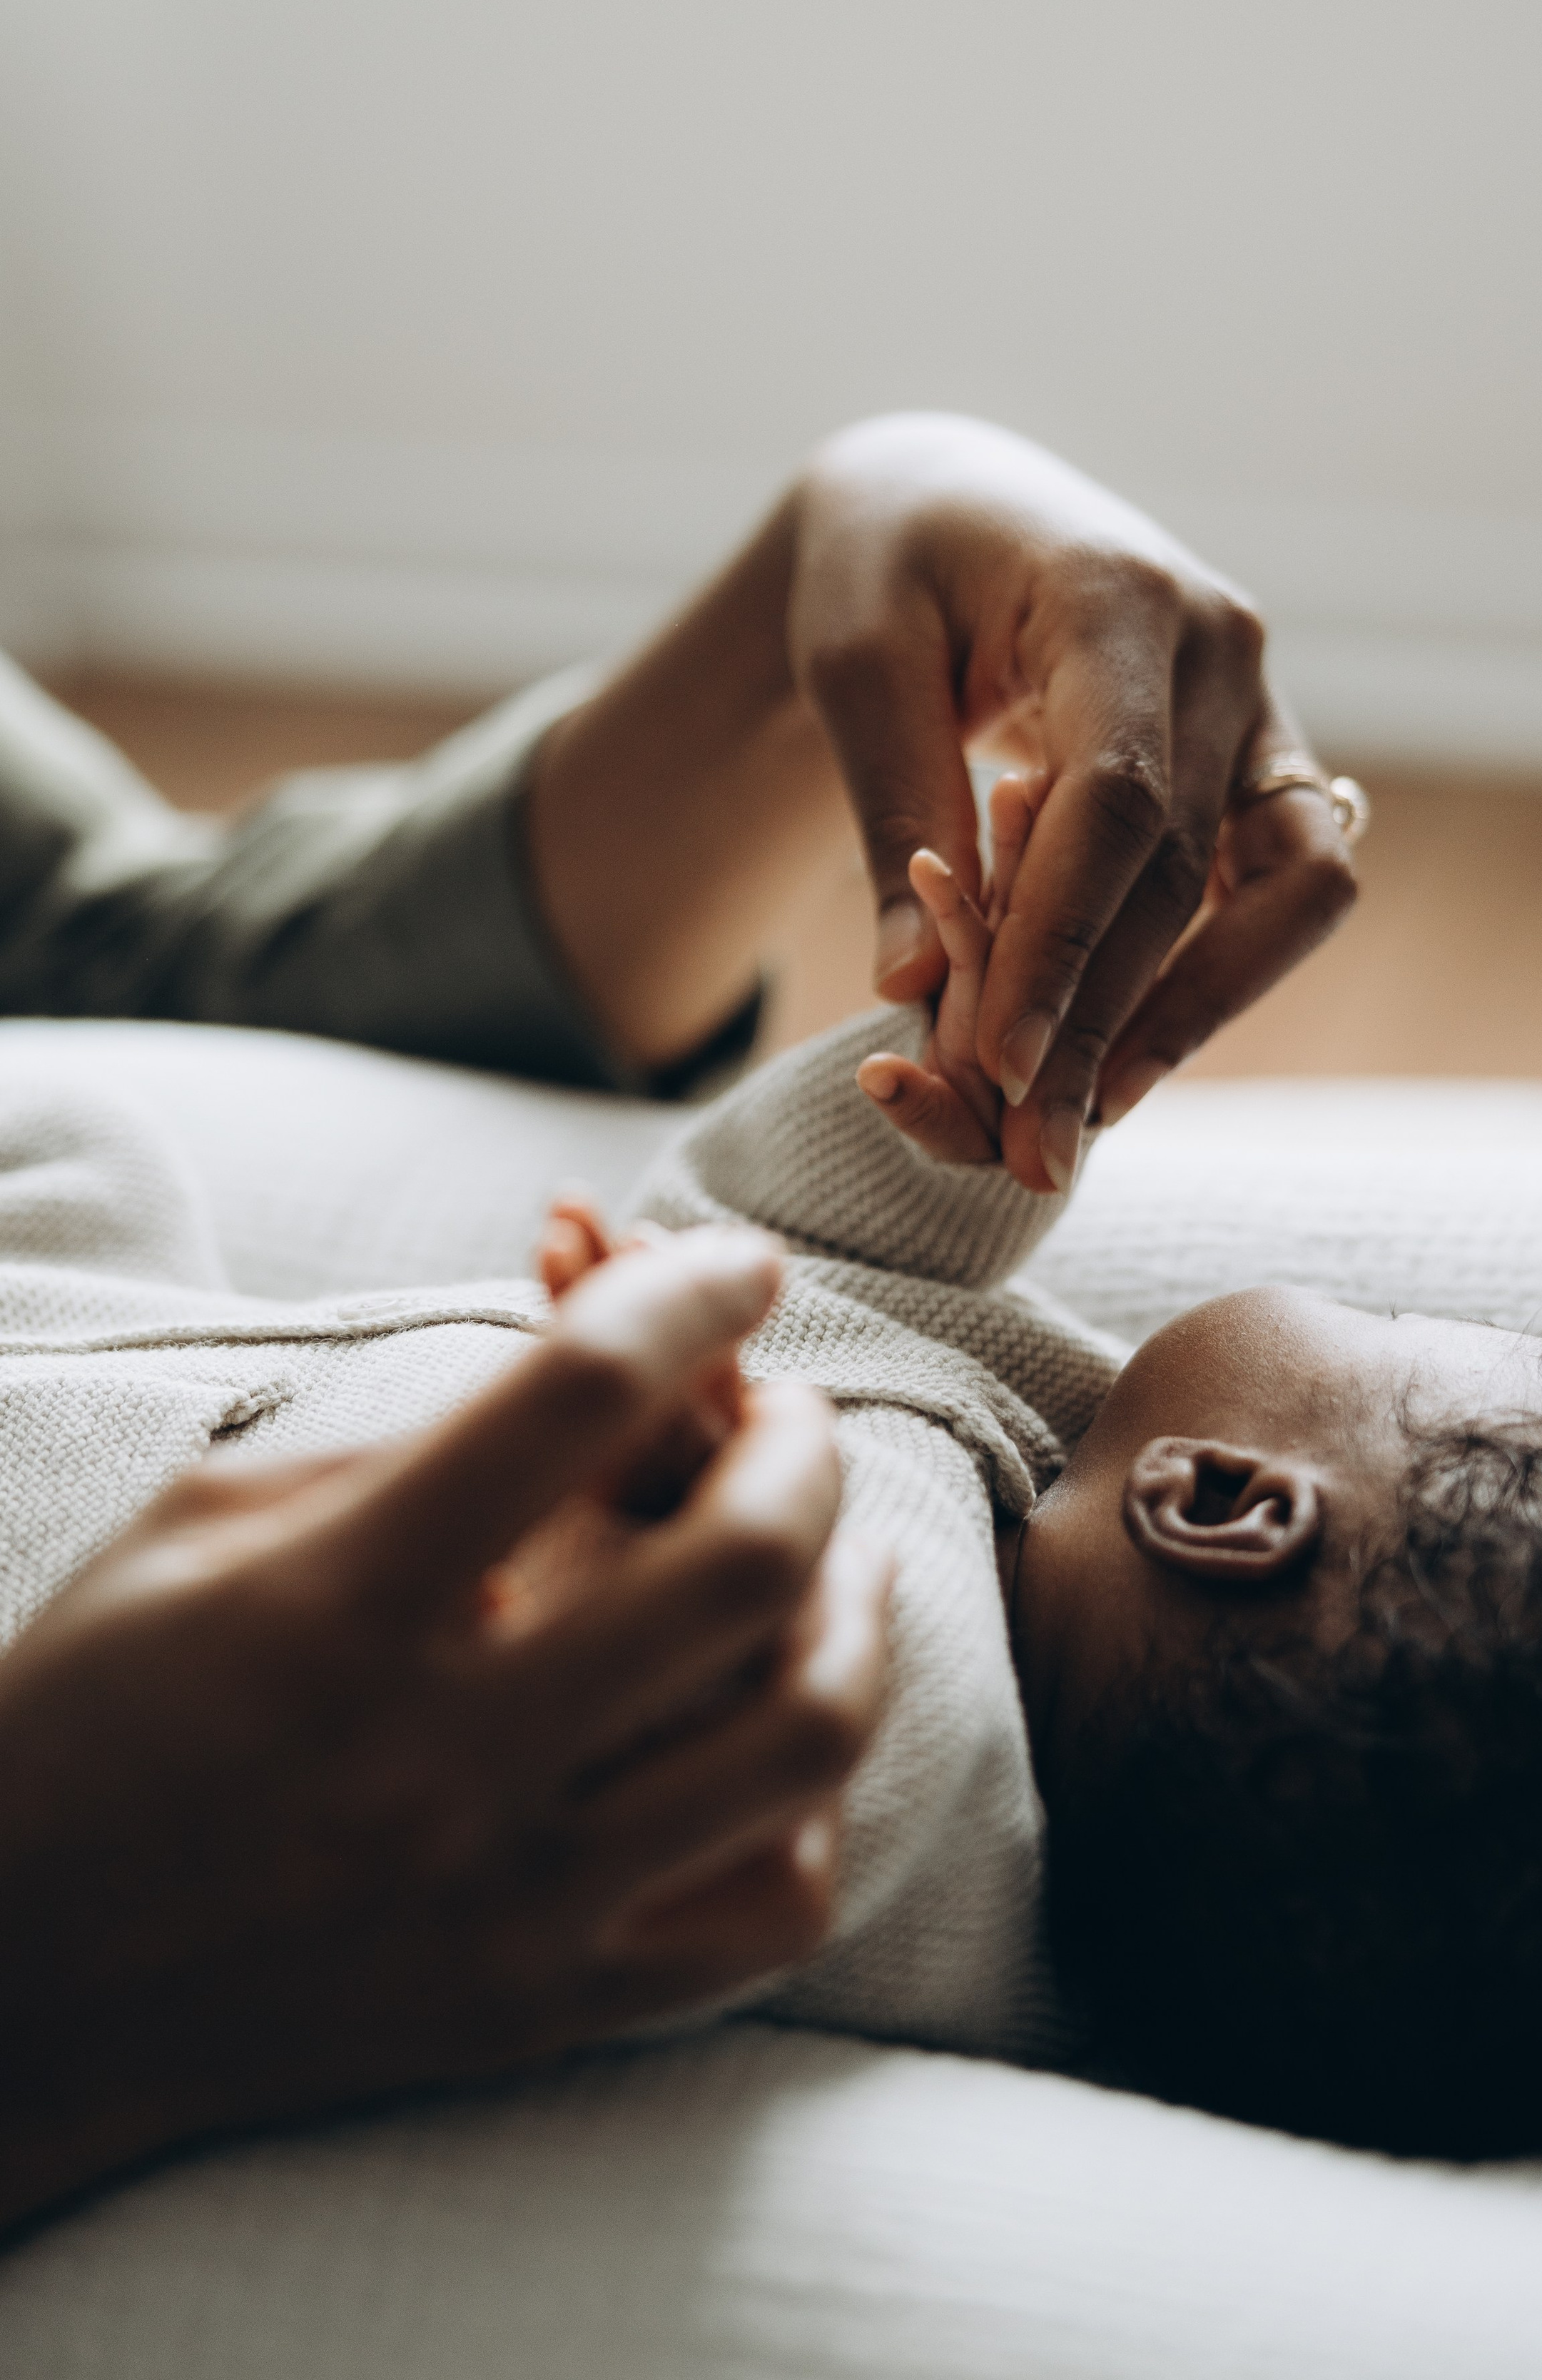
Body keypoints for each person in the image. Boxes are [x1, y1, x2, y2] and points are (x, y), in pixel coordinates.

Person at [0, 415, 1358, 2229]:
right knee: (91, 1141)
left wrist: (846, 534)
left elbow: (110, 952)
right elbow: (785, 1256)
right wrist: (945, 1137)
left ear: (1238, 1505)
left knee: (85, 1125)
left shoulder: (939, 1759)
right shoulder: (1006, 1491)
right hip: (112, 1384)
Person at [532, 806, 1542, 2159]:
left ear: (1220, 1501)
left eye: (1389, 1323)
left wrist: (633, 1507)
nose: (1378, 1306)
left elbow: (615, 1773)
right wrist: (971, 1113)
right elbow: (752, 1236)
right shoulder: (1044, 1487)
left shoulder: (911, 1744)